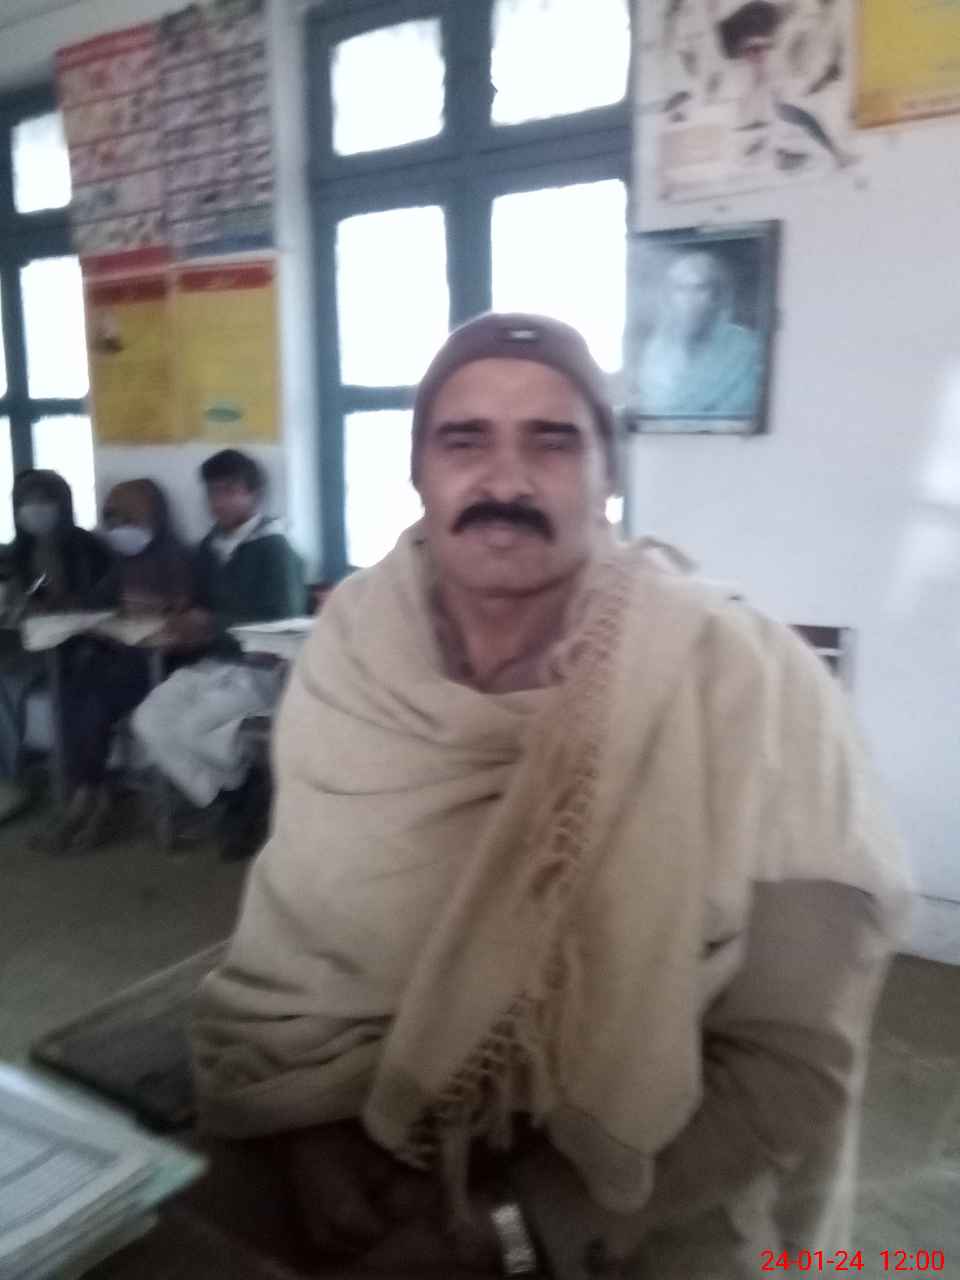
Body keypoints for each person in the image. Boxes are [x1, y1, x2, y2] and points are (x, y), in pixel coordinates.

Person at [191, 314, 911, 1279]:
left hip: (645, 1203)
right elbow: (301, 947)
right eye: (465, 441)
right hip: (361, 1151)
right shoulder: (353, 655)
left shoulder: (742, 677)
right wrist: (309, 1130)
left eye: (553, 441)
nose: (507, 482)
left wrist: (521, 1226)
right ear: (417, 471)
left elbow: (795, 1059)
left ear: (609, 473)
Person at [132, 449, 304, 860]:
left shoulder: (274, 549)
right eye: (212, 493)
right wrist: (178, 616)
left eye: (229, 491)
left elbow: (283, 623)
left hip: (261, 671)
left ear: (253, 494)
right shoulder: (209, 547)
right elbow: (198, 605)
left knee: (193, 727)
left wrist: (212, 624)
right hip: (212, 664)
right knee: (149, 721)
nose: (218, 502)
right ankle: (233, 796)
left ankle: (241, 800)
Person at [41, 479, 198, 856]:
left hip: (161, 665)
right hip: (121, 657)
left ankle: (94, 801)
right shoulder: (118, 561)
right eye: (112, 520)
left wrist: (157, 614)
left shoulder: (177, 558)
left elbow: (185, 616)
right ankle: (87, 793)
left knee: (95, 700)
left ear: (154, 518)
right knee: (72, 696)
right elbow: (96, 603)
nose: (119, 529)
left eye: (129, 520)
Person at [0, 470, 112, 822]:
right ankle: (10, 780)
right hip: (25, 646)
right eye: (25, 503)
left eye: (43, 502)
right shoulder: (16, 552)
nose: (34, 510)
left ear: (61, 505)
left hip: (75, 649)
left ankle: (64, 788)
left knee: (57, 694)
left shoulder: (87, 547)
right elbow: (12, 602)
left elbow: (101, 605)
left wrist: (61, 603)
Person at [635, 250, 762, 419]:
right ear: (669, 297)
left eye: (700, 288)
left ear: (716, 296)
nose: (690, 299)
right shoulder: (655, 351)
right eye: (680, 289)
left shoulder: (745, 348)